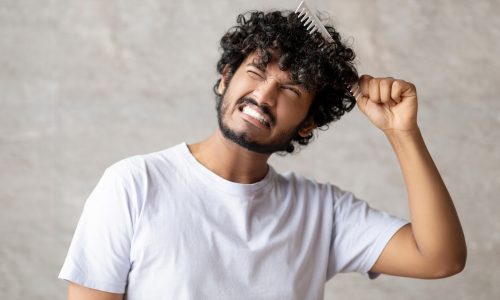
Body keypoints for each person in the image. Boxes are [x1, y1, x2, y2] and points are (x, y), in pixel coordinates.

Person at [59, 9, 467, 300]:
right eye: (256, 71)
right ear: (225, 79)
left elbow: (440, 258)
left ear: (307, 123)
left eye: (291, 90)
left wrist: (402, 133)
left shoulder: (320, 212)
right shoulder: (133, 185)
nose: (264, 94)